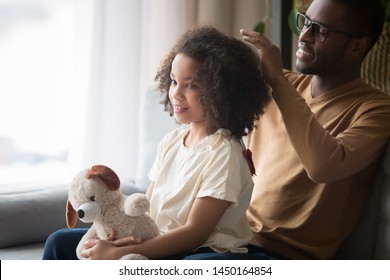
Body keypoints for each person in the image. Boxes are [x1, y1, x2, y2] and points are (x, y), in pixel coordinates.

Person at [42, 25, 271, 260]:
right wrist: (119, 238)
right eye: (173, 81)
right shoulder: (171, 142)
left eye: (191, 85)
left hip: (203, 250)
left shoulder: (225, 152)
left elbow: (195, 234)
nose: (176, 93)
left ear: (220, 91)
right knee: (59, 242)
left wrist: (122, 252)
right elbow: (145, 208)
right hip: (156, 238)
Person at [239, 0, 390, 259]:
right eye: (306, 22)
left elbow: (323, 167)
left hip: (285, 257)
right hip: (230, 238)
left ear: (357, 46)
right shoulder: (278, 83)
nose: (304, 36)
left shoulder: (376, 109)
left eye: (320, 30)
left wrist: (277, 80)